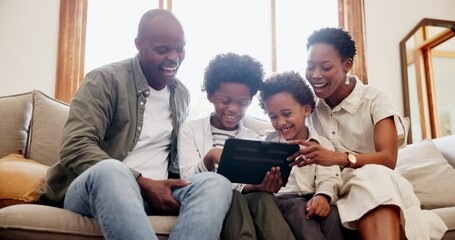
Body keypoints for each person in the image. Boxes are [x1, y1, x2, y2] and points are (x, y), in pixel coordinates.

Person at [39, 9, 232, 240]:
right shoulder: (104, 80)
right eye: (163, 50)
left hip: (158, 193)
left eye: (180, 48)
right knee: (112, 170)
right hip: (101, 189)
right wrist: (142, 181)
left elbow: (173, 159)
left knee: (215, 183)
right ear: (139, 45)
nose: (174, 57)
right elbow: (75, 146)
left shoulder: (181, 94)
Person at [286, 27, 448, 240]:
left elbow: (387, 159)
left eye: (326, 67)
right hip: (331, 186)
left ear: (347, 65)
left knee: (371, 176)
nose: (315, 75)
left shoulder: (374, 99)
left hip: (378, 180)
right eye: (310, 67)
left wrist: (337, 157)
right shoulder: (308, 108)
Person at [178, 52, 295, 240]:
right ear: (210, 96)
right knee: (232, 195)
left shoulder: (253, 138)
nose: (233, 109)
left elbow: (248, 182)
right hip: (206, 197)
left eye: (242, 103)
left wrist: (259, 185)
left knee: (264, 198)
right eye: (225, 101)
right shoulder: (190, 130)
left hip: (248, 197)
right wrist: (210, 158)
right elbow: (186, 179)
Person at [258, 71, 344, 240]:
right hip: (284, 201)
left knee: (333, 215)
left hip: (313, 196)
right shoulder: (267, 144)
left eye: (287, 114)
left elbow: (330, 177)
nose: (281, 122)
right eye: (273, 117)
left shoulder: (321, 144)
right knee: (299, 209)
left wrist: (323, 196)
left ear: (306, 109)